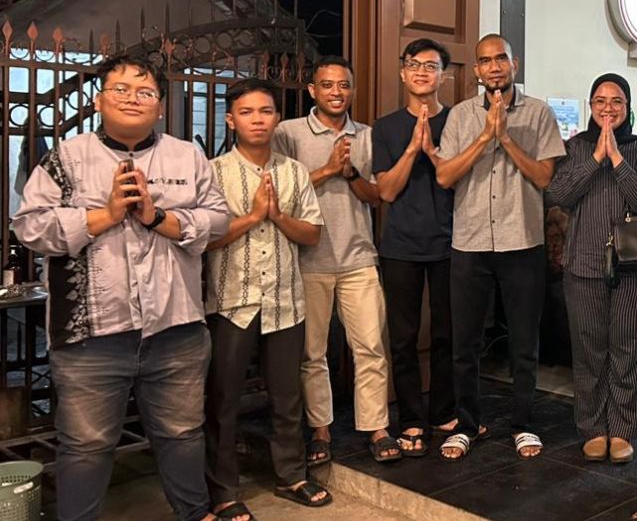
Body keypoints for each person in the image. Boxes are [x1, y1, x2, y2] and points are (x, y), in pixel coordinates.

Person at [12, 54, 230, 521]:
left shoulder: (187, 156)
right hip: (91, 335)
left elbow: (218, 217)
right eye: (122, 89)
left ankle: (195, 513)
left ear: (161, 105)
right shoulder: (66, 158)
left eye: (146, 92)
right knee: (86, 446)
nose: (134, 99)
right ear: (99, 100)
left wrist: (158, 218)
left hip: (177, 328)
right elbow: (29, 227)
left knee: (183, 434)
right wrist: (104, 216)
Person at [204, 78, 330, 519]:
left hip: (284, 301)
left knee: (286, 395)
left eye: (265, 111)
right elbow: (204, 240)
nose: (257, 120)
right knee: (222, 399)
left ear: (277, 118)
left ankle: (291, 475)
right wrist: (253, 216)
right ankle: (223, 491)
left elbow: (312, 234)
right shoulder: (213, 172)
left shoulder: (293, 172)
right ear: (230, 118)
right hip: (230, 302)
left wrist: (276, 216)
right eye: (247, 112)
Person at [435, 34, 565, 461]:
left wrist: (506, 138)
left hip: (522, 240)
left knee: (523, 342)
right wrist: (484, 137)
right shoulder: (458, 116)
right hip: (470, 240)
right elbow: (445, 176)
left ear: (515, 63)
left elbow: (545, 178)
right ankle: (467, 425)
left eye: (501, 59)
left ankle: (523, 425)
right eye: (485, 61)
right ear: (475, 70)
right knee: (465, 342)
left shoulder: (539, 113)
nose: (494, 67)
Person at [272, 57, 400, 465]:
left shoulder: (366, 135)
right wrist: (327, 169)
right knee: (312, 354)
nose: (336, 92)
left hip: (359, 257)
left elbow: (376, 196)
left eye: (343, 85)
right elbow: (278, 191)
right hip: (309, 258)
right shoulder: (288, 133)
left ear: (352, 89)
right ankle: (321, 431)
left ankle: (377, 428)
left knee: (371, 348)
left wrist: (348, 174)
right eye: (327, 85)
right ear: (312, 90)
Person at [547, 73, 637, 464]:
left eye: (616, 101)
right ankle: (593, 428)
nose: (608, 108)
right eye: (600, 101)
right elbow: (557, 195)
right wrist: (595, 159)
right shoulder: (576, 147)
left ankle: (624, 430)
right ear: (590, 107)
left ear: (627, 107)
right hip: (584, 264)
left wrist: (617, 160)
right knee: (589, 352)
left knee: (628, 350)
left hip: (633, 267)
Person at [372, 39, 456, 456]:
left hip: (451, 243)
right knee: (403, 338)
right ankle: (409, 418)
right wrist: (411, 149)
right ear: (402, 73)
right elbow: (385, 191)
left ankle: (442, 410)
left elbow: (459, 180)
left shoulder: (459, 122)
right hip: (401, 245)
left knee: (447, 333)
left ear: (445, 75)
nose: (422, 72)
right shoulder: (385, 128)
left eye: (431, 65)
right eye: (414, 65)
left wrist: (434, 152)